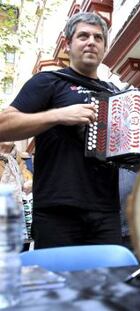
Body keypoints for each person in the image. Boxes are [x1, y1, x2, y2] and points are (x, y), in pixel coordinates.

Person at [0, 12, 122, 248]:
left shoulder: (117, 94)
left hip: (106, 211)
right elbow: (3, 126)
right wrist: (59, 115)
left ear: (105, 47)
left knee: (106, 285)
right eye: (83, 36)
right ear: (67, 45)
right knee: (59, 284)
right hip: (58, 210)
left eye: (98, 38)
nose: (91, 42)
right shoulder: (48, 81)